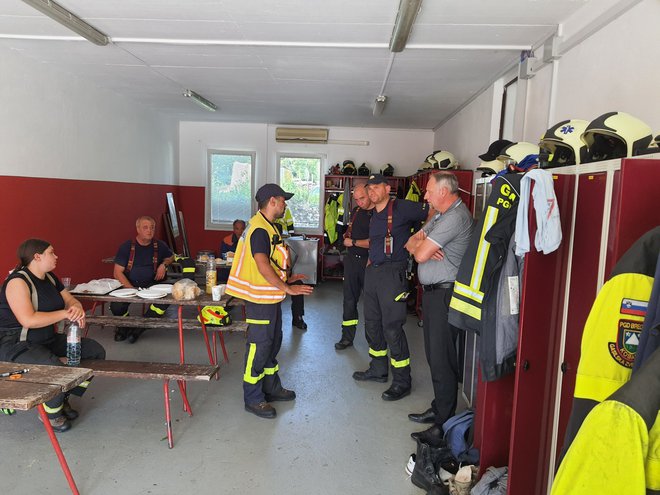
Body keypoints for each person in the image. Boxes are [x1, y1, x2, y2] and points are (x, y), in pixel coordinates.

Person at [226, 184, 313, 419]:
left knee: (273, 343)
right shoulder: (259, 229)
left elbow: (273, 263)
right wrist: (287, 288)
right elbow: (262, 264)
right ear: (272, 201)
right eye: (284, 200)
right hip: (259, 299)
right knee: (259, 346)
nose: (286, 204)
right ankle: (253, 397)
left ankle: (271, 387)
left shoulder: (268, 226)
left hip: (269, 297)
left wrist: (288, 278)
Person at [0, 239, 106, 432]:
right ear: (37, 257)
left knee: (95, 352)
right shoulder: (17, 282)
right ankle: (51, 413)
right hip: (18, 343)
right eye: (52, 253)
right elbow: (28, 320)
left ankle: (62, 398)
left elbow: (70, 299)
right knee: (55, 370)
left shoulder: (49, 277)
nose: (56, 256)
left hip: (46, 338)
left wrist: (76, 308)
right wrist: (65, 314)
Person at [405, 172, 474, 446]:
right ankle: (439, 406)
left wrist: (421, 247)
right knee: (435, 356)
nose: (425, 196)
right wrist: (420, 245)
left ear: (444, 192)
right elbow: (411, 242)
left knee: (443, 358)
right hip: (434, 295)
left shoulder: (456, 217)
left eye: (429, 191)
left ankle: (443, 424)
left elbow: (419, 253)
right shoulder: (440, 215)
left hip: (447, 294)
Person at [353, 174, 432, 401]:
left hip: (392, 274)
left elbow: (433, 213)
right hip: (374, 272)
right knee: (372, 324)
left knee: (392, 328)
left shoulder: (402, 207)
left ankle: (401, 381)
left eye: (376, 187)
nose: (371, 192)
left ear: (387, 188)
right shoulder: (372, 214)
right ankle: (378, 369)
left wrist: (421, 239)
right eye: (369, 188)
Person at [111, 215, 174, 343]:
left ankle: (140, 327)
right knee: (116, 306)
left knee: (164, 301)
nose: (149, 231)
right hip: (131, 284)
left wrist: (164, 264)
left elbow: (171, 256)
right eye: (145, 227)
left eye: (152, 228)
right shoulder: (127, 247)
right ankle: (125, 326)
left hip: (153, 284)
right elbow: (117, 273)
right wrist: (132, 291)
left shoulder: (160, 245)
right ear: (138, 229)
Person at [335, 183, 374, 350]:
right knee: (349, 301)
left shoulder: (377, 214)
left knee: (372, 305)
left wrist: (354, 242)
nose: (359, 202)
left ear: (370, 194)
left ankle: (374, 342)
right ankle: (347, 337)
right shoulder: (356, 211)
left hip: (369, 263)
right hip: (352, 261)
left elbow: (378, 243)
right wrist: (348, 237)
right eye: (356, 199)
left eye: (362, 198)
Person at [274, 207, 307, 330]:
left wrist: (291, 278)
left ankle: (298, 318)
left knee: (299, 284)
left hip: (282, 278)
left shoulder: (284, 248)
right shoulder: (262, 246)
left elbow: (288, 267)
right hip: (268, 281)